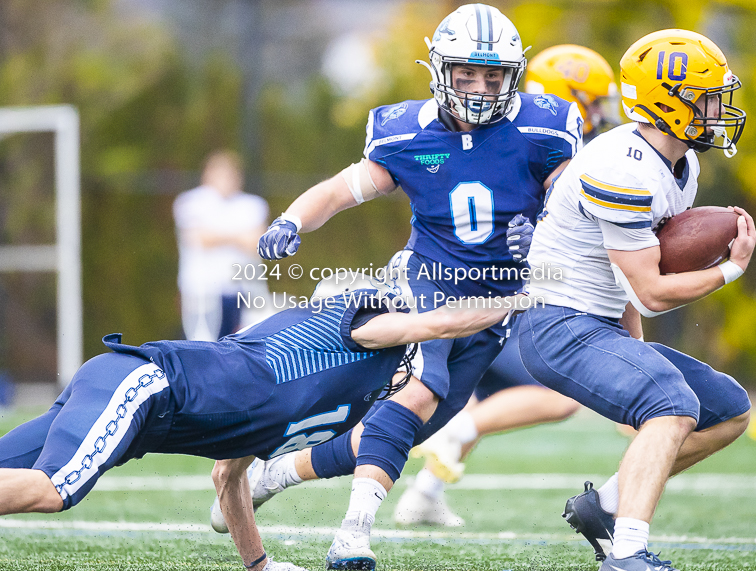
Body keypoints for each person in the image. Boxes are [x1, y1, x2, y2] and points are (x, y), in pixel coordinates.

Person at [235, 5, 582, 569]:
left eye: (493, 75)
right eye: (467, 73)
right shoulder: (406, 131)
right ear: (440, 70)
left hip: (500, 300)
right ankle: (352, 535)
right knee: (420, 388)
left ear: (513, 75)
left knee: (414, 426)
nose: (480, 87)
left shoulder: (544, 128)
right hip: (427, 280)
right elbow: (340, 190)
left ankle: (275, 473)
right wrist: (292, 219)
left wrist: (544, 230)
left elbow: (578, 208)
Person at [0, 276, 525, 571]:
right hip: (145, 385)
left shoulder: (335, 393)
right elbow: (438, 322)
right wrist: (525, 297)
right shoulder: (354, 329)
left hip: (133, 394)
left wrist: (259, 566)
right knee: (52, 490)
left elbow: (228, 479)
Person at [517, 29, 753, 571]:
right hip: (557, 325)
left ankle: (605, 507)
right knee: (672, 405)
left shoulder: (681, 164)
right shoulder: (622, 168)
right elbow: (649, 291)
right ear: (671, 102)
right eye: (708, 97)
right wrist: (732, 270)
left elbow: (629, 282)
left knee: (729, 410)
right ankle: (626, 555)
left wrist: (635, 352)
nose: (719, 109)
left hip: (597, 323)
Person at [393, 43, 621, 528]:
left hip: (483, 293)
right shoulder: (536, 144)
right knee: (561, 393)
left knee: (460, 398)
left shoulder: (520, 140)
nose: (600, 114)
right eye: (593, 101)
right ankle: (443, 449)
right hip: (500, 298)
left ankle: (424, 492)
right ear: (564, 96)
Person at [173, 150, 268, 341]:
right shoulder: (190, 202)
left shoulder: (253, 205)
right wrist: (238, 236)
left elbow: (256, 242)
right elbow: (200, 239)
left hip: (240, 290)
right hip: (201, 291)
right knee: (201, 344)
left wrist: (219, 235)